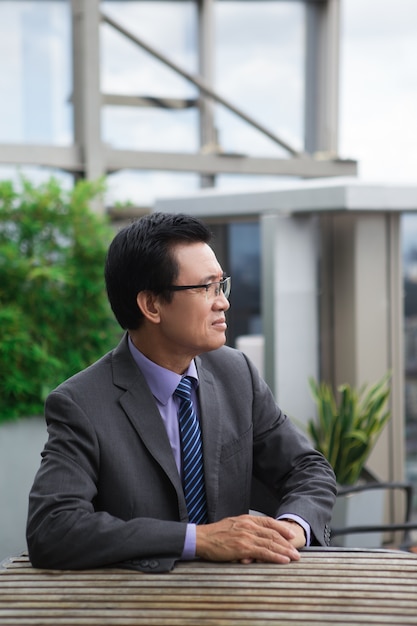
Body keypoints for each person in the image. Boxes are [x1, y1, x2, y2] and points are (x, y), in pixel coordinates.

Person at [27, 212, 336, 573]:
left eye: (221, 285)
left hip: (236, 599)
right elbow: (53, 529)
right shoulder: (81, 403)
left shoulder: (237, 374)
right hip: (132, 605)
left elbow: (307, 469)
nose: (223, 302)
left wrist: (291, 528)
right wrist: (198, 540)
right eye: (206, 288)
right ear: (152, 305)